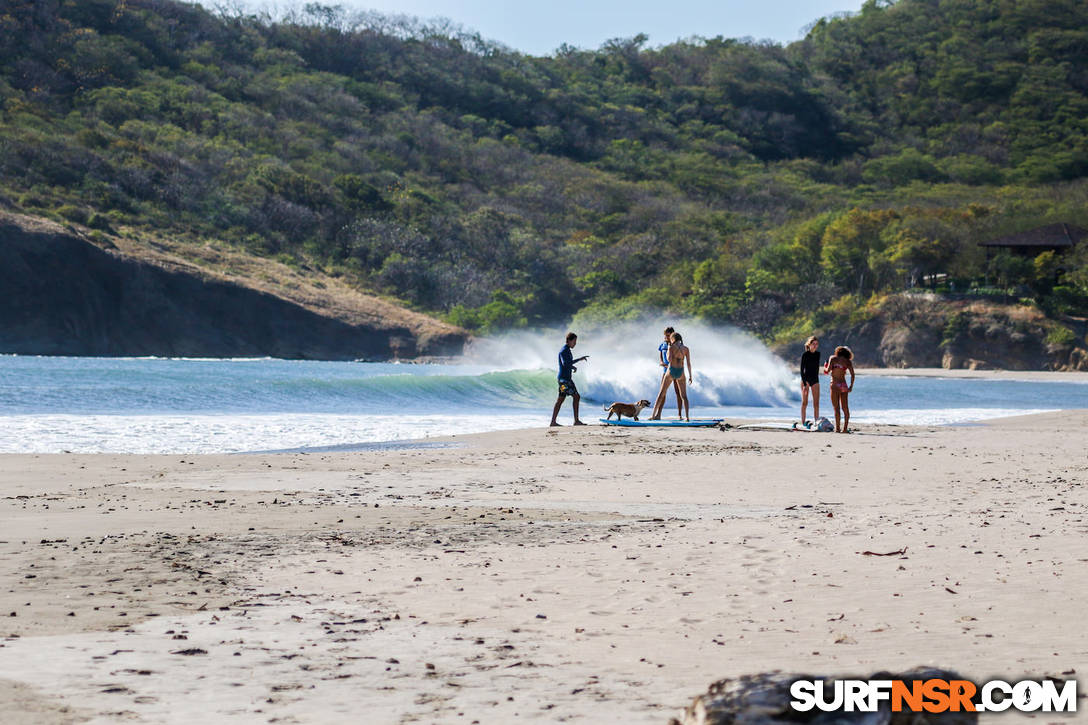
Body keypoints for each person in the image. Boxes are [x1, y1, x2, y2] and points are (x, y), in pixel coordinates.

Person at [652, 331, 693, 421]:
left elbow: (669, 359)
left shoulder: (671, 347)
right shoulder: (686, 349)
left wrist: (669, 351)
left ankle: (653, 415)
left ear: (672, 339)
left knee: (661, 394)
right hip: (681, 372)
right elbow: (689, 364)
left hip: (671, 371)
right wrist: (690, 376)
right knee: (684, 396)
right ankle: (687, 417)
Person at [550, 332, 588, 426]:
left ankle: (553, 422)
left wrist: (572, 367)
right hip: (565, 381)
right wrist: (578, 360)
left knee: (560, 399)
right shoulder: (564, 351)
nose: (575, 343)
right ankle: (576, 421)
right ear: (569, 341)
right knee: (576, 396)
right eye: (574, 341)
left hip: (563, 380)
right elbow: (565, 363)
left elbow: (567, 363)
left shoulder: (567, 350)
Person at [649, 326, 682, 420]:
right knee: (662, 393)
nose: (666, 337)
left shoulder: (676, 345)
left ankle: (679, 414)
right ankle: (658, 414)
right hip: (665, 372)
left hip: (675, 370)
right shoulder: (663, 344)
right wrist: (662, 363)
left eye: (668, 335)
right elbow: (661, 357)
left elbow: (679, 358)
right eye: (665, 335)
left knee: (678, 392)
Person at [823, 345, 855, 433]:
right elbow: (853, 375)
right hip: (843, 385)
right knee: (845, 408)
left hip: (834, 384)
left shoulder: (833, 358)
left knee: (836, 408)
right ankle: (844, 429)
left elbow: (827, 370)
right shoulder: (848, 362)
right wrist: (851, 386)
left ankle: (837, 429)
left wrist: (824, 366)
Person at [799, 336, 821, 426]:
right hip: (806, 380)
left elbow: (816, 369)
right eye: (813, 344)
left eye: (816, 344)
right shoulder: (805, 355)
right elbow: (801, 369)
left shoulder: (818, 354)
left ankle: (816, 422)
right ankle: (803, 422)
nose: (815, 346)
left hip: (815, 379)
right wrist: (804, 383)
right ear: (809, 345)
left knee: (816, 403)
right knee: (805, 402)